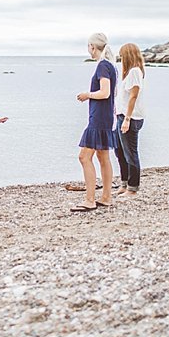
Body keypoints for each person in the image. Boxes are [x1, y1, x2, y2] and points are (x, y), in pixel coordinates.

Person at [72, 33, 118, 212]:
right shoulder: (109, 66)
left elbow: (105, 93)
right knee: (103, 157)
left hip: (99, 118)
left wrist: (87, 95)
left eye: (88, 46)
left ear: (92, 46)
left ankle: (90, 199)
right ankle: (106, 197)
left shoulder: (103, 66)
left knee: (84, 157)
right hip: (105, 116)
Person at [114, 43, 146, 197]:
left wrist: (127, 119)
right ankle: (125, 182)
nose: (121, 60)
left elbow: (133, 96)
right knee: (119, 151)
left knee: (130, 152)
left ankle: (133, 188)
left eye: (122, 56)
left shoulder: (134, 72)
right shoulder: (129, 73)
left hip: (131, 118)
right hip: (121, 116)